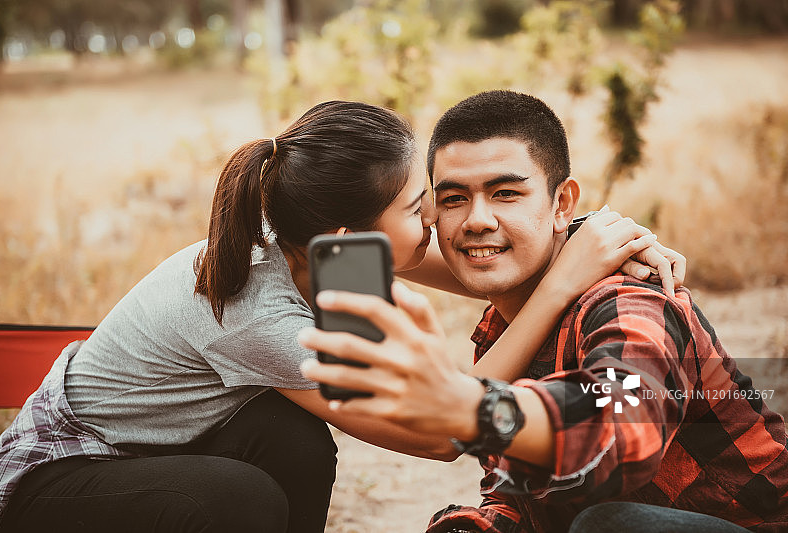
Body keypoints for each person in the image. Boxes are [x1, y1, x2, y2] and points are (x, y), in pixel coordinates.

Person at [0, 100, 679, 533]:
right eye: (423, 207)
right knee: (243, 501)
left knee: (296, 436)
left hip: (153, 445)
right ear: (353, 242)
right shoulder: (258, 314)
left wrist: (587, 239)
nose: (440, 220)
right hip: (54, 481)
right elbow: (439, 432)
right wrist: (562, 284)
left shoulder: (309, 232)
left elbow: (489, 261)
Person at [300, 91, 788, 533]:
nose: (477, 220)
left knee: (608, 525)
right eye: (453, 199)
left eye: (506, 193)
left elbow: (621, 432)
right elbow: (528, 501)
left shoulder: (630, 300)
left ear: (562, 205)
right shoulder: (502, 331)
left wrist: (473, 406)